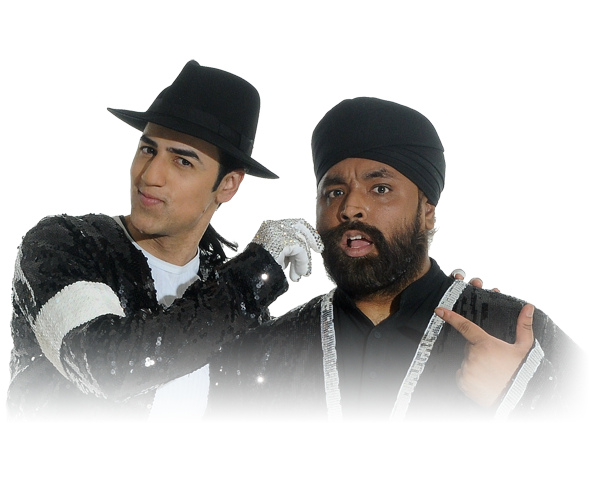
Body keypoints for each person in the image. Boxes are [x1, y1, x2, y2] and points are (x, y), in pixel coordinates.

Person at [205, 97, 589, 423]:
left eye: (380, 188)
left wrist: (521, 397)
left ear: (427, 212)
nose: (350, 207)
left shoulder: (512, 332)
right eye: (334, 192)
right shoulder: (265, 350)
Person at [6, 60, 322, 423]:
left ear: (228, 185)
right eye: (148, 149)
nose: (150, 175)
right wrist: (256, 276)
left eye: (182, 162)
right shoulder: (64, 244)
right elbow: (105, 366)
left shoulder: (231, 295)